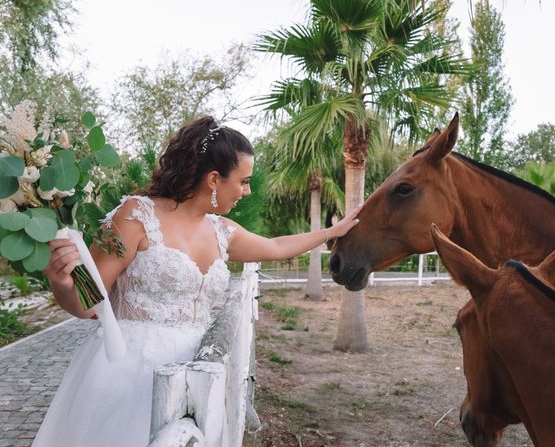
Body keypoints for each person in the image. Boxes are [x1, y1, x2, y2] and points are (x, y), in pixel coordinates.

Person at [32, 117, 361, 447]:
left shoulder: (223, 232)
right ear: (214, 179)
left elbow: (275, 246)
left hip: (201, 376)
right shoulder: (136, 217)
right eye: (243, 181)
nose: (247, 191)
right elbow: (89, 304)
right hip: (128, 374)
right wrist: (60, 280)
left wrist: (332, 233)